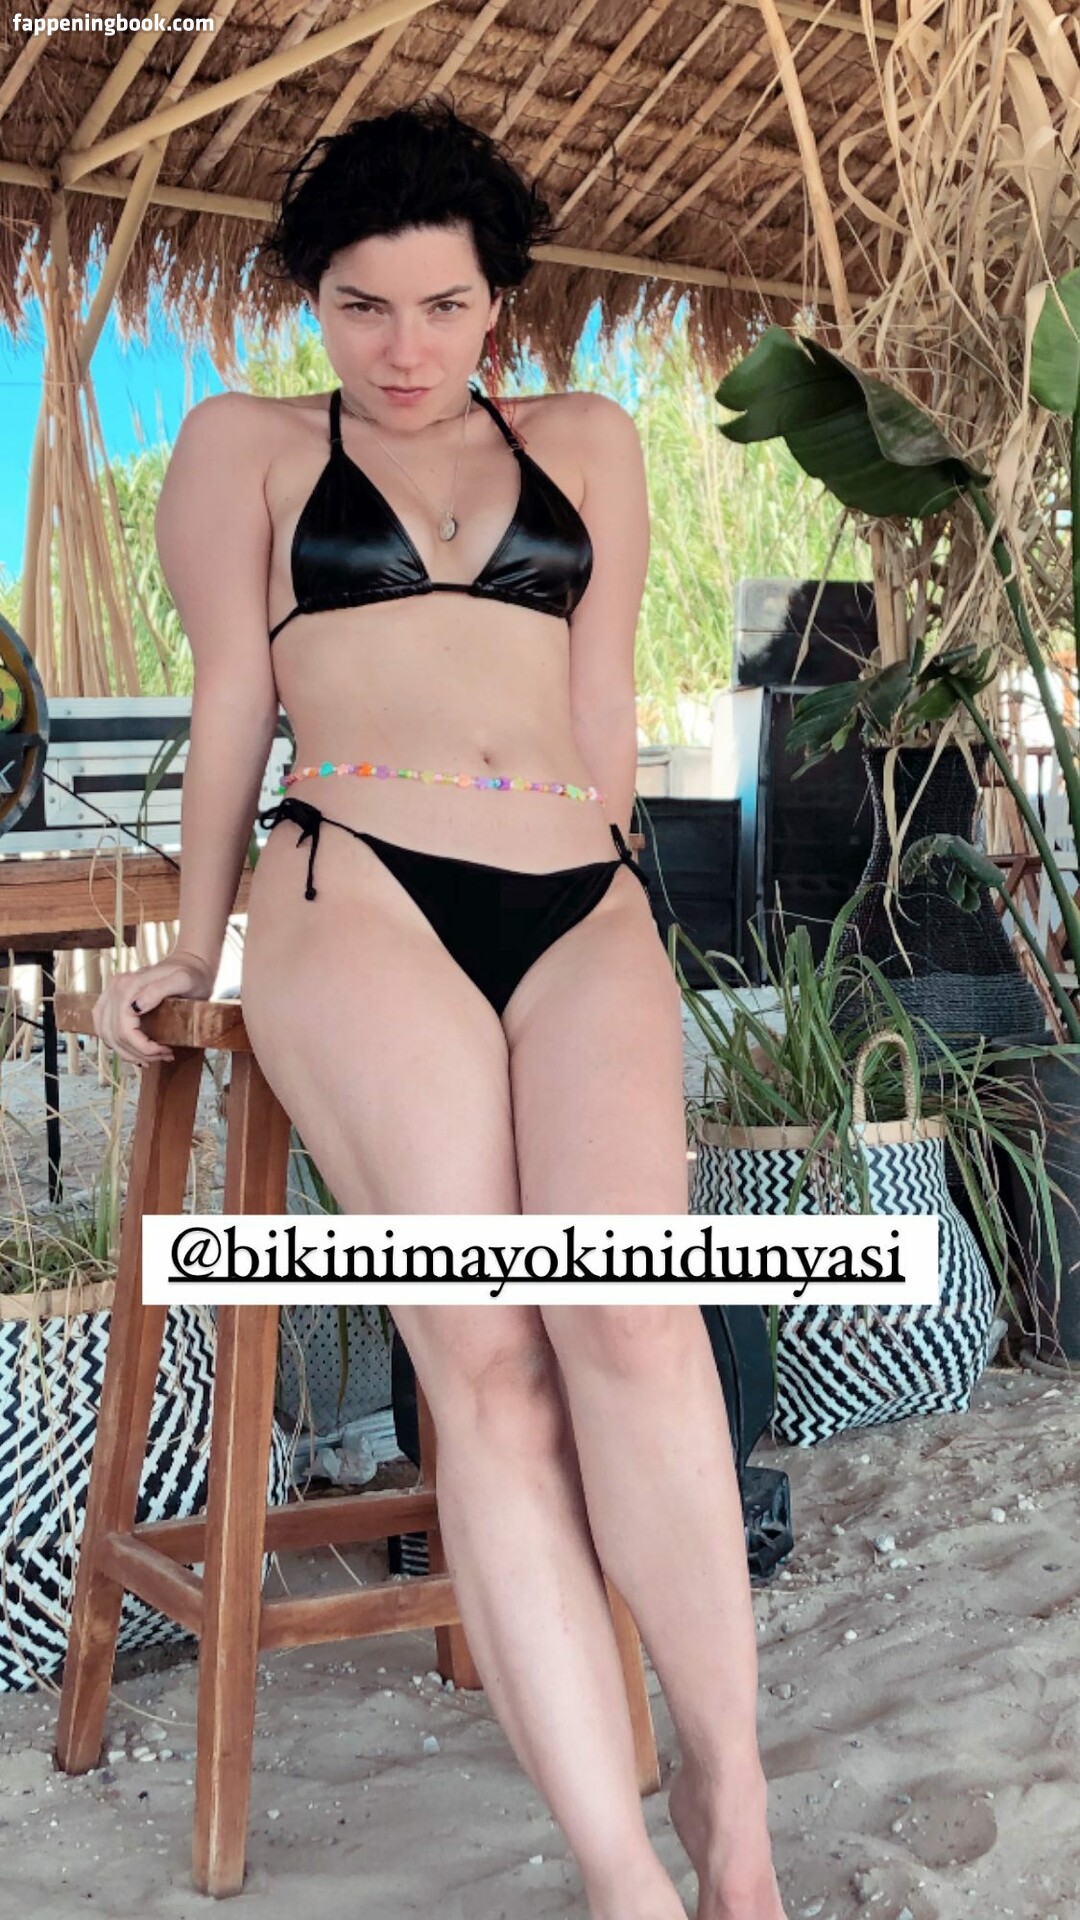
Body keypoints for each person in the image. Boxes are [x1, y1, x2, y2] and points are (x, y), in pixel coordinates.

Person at [92, 100, 788, 1920]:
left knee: (634, 1324)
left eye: (445, 307)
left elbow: (602, 703)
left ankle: (733, 1819)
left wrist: (624, 911)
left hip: (577, 896)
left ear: (500, 301)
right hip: (360, 886)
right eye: (362, 307)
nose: (404, 350)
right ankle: (624, 1874)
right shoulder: (246, 448)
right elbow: (233, 705)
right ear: (310, 300)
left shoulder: (591, 442)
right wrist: (190, 944)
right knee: (484, 1359)